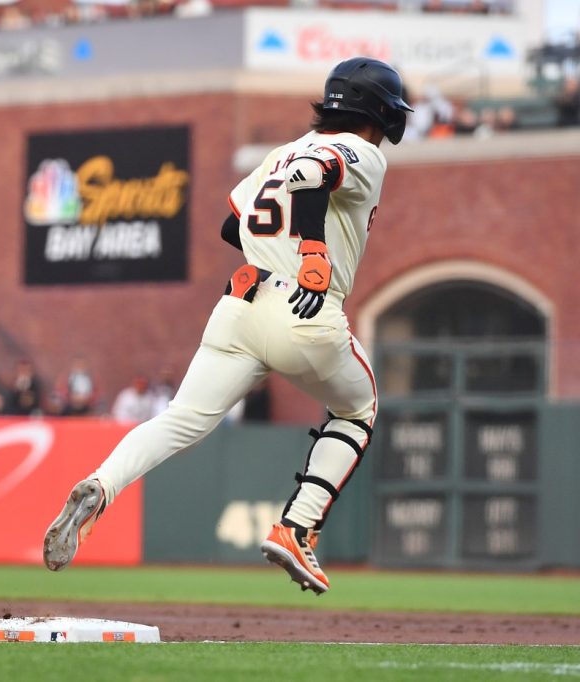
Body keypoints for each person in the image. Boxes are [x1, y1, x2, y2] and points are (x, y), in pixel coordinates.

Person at [42, 57, 410, 596]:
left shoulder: (279, 153)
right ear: (378, 112)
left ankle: (103, 483)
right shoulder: (363, 151)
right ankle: (297, 526)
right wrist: (308, 249)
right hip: (304, 304)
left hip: (240, 305)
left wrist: (276, 250)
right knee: (359, 408)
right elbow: (314, 175)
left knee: (179, 421)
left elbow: (231, 224)